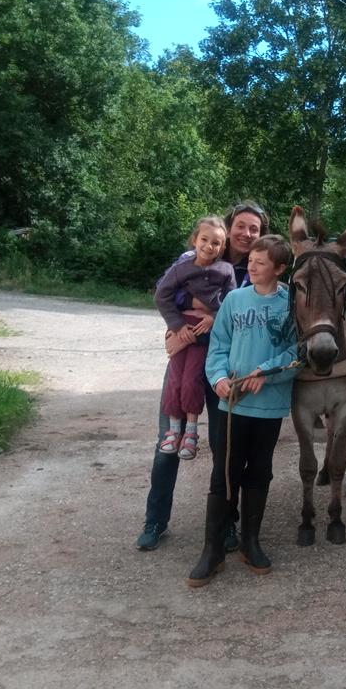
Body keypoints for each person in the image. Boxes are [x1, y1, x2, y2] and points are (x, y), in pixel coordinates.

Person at [136, 202, 270, 551]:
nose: (246, 233)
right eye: (241, 226)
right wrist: (178, 327)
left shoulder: (260, 269)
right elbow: (168, 291)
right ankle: (155, 520)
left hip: (229, 368)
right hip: (188, 353)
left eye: (254, 229)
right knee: (169, 438)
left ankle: (226, 523)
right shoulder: (198, 255)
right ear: (230, 227)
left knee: (225, 448)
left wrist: (210, 308)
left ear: (262, 234)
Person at [188, 235, 299, 587]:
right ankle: (213, 549)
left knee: (259, 471)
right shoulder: (234, 300)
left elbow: (299, 351)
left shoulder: (291, 304)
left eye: (261, 262)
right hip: (232, 405)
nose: (251, 266)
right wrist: (218, 378)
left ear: (280, 268)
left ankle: (251, 542)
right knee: (224, 471)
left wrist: (267, 372)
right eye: (251, 260)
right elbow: (218, 346)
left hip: (268, 408)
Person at [154, 216, 236, 460]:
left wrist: (214, 316)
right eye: (204, 240)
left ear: (223, 248)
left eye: (216, 243)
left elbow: (232, 302)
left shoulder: (226, 270)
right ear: (194, 240)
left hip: (206, 330)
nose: (209, 246)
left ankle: (191, 432)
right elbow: (161, 295)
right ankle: (172, 431)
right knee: (176, 379)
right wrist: (177, 325)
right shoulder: (182, 267)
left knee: (192, 379)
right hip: (183, 329)